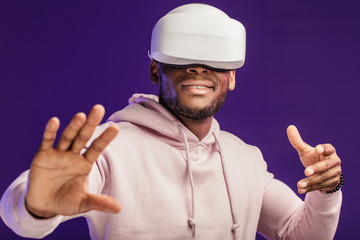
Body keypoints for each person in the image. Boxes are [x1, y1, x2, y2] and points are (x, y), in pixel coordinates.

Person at [0, 3, 342, 240]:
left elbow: (302, 234)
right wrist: (36, 206)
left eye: (215, 61)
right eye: (183, 58)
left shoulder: (245, 159)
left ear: (232, 77)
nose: (199, 68)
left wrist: (327, 191)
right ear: (154, 70)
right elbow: (22, 216)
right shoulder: (108, 145)